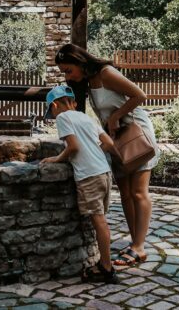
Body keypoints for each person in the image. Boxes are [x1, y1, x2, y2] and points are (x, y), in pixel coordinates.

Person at [54, 43, 160, 268]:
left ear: (80, 62)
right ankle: (134, 243)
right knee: (125, 193)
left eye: (68, 70)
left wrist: (115, 117)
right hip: (117, 138)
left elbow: (139, 95)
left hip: (135, 133)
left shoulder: (106, 73)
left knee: (139, 192)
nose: (67, 76)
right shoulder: (87, 82)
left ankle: (139, 248)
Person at [40, 85, 119, 284]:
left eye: (52, 110)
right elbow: (109, 144)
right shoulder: (86, 118)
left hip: (89, 175)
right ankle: (106, 264)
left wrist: (57, 159)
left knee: (99, 221)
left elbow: (73, 147)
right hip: (104, 172)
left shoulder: (63, 118)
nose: (53, 114)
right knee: (102, 220)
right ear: (74, 103)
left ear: (55, 105)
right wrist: (94, 153)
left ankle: (107, 268)